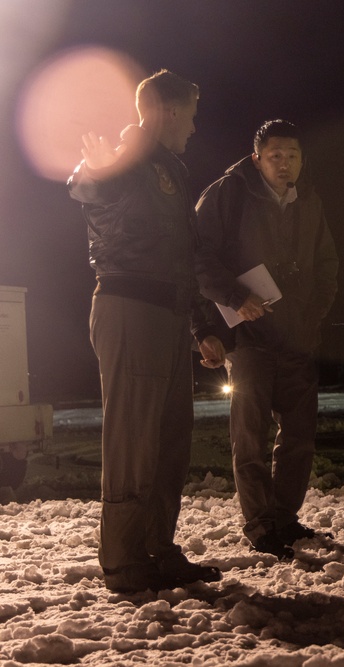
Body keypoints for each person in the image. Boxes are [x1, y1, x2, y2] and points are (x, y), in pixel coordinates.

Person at [67, 69, 225, 593]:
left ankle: (157, 547)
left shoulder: (171, 171)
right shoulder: (126, 158)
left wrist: (202, 326)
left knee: (169, 441)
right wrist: (93, 169)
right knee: (133, 441)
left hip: (168, 315)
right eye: (193, 116)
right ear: (172, 112)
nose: (195, 128)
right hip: (129, 308)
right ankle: (124, 561)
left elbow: (185, 258)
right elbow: (90, 187)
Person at [194, 119, 340, 558]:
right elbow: (198, 257)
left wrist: (314, 314)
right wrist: (235, 299)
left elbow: (328, 263)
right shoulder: (227, 194)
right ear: (256, 159)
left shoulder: (308, 201)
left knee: (299, 436)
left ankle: (285, 517)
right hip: (249, 338)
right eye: (275, 155)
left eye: (292, 155)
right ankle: (260, 523)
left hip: (298, 338)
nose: (285, 164)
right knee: (250, 436)